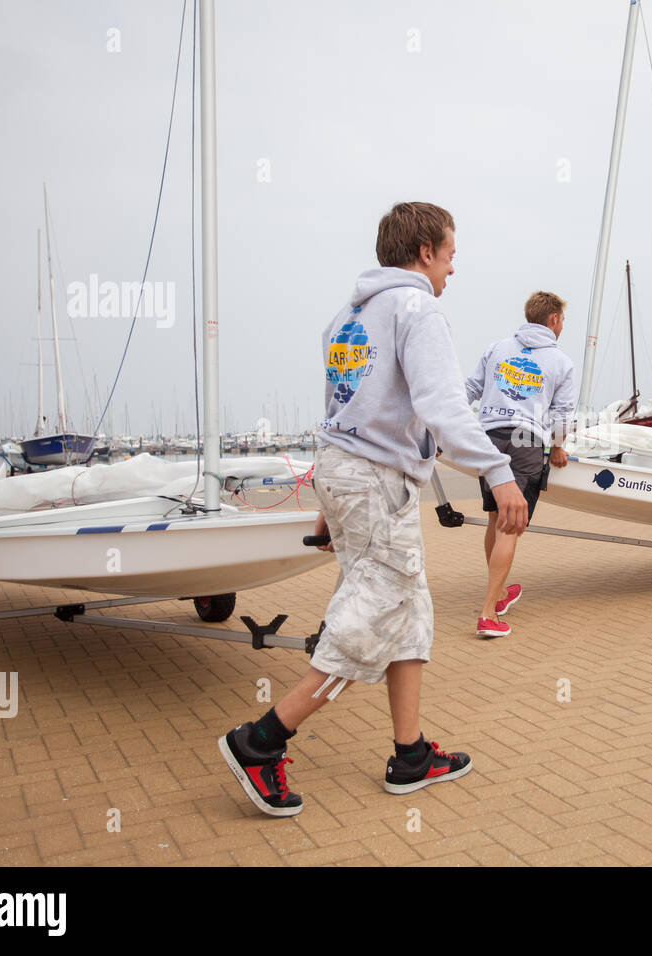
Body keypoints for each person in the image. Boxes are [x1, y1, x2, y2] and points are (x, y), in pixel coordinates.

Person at [218, 202, 528, 817]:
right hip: (376, 483)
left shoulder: (348, 316)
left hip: (348, 475)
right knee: (374, 617)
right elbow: (444, 407)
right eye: (450, 256)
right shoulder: (418, 308)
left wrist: (331, 507)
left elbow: (346, 414)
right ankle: (261, 741)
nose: (451, 270)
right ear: (424, 254)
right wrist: (498, 473)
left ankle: (410, 755)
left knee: (409, 611)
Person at [464, 291, 575, 638]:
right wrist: (557, 448)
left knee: (496, 517)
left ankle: (498, 595)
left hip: (488, 439)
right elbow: (562, 415)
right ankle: (488, 615)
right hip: (526, 442)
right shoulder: (561, 362)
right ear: (554, 320)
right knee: (510, 527)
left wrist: (443, 428)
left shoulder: (497, 348)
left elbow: (469, 389)